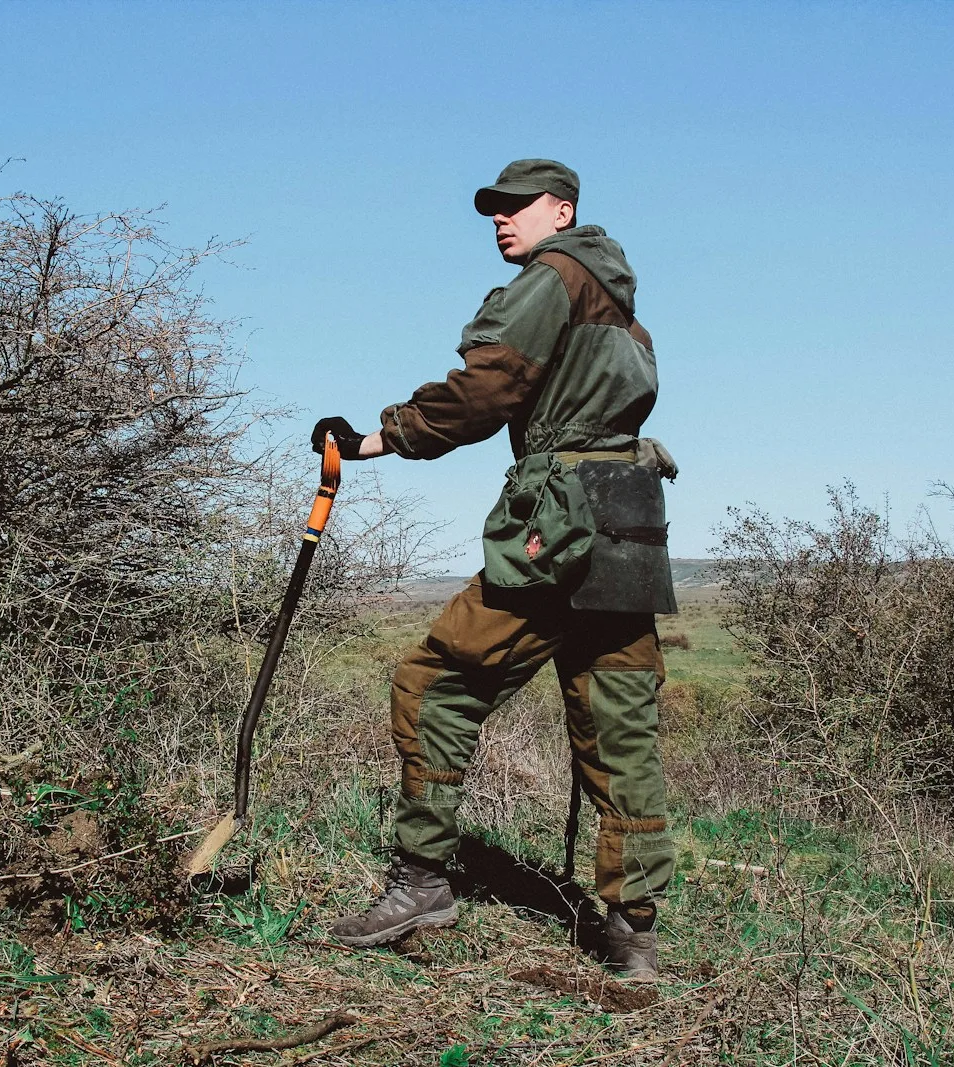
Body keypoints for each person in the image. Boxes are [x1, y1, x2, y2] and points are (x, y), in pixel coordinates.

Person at [313, 159, 677, 979]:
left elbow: (486, 394)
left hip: (557, 528)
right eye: (495, 211)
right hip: (627, 523)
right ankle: (632, 935)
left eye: (518, 208)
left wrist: (376, 438)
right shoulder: (622, 306)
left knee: (435, 682)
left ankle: (421, 881)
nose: (501, 221)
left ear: (564, 210)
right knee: (619, 724)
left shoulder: (552, 279)